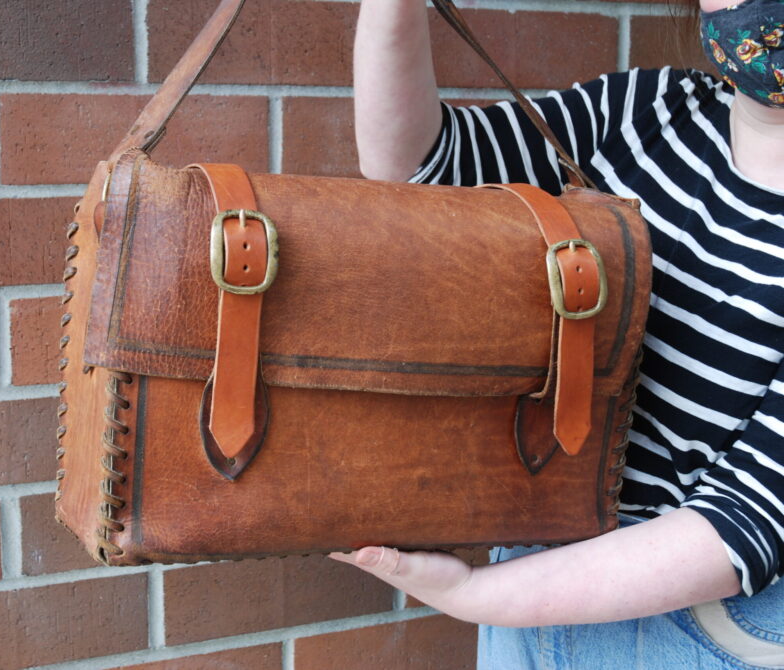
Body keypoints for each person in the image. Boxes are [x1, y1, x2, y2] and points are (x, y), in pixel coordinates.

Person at [329, 0, 784, 667]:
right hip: (531, 599)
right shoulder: (651, 111)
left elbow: (744, 522)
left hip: (709, 634)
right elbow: (424, 171)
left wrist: (478, 595)